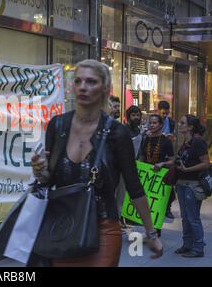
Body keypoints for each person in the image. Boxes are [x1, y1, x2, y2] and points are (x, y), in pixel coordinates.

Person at [31, 59, 163, 267]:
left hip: (104, 229)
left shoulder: (117, 133)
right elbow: (48, 180)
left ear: (105, 89)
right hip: (62, 227)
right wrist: (40, 170)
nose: (83, 87)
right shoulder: (57, 126)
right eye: (78, 81)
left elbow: (133, 185)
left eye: (91, 82)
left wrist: (151, 232)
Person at [172, 115, 209, 257]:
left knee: (193, 217)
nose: (179, 125)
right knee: (185, 217)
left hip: (192, 185)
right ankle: (187, 244)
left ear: (190, 127)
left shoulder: (198, 142)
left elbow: (206, 163)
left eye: (182, 123)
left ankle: (198, 247)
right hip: (181, 184)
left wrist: (187, 170)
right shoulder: (186, 142)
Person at [139, 114, 175, 237]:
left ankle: (156, 230)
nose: (152, 125)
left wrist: (162, 163)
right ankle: (149, 229)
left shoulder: (166, 141)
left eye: (155, 123)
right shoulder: (146, 139)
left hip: (160, 177)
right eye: (150, 123)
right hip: (147, 175)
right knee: (146, 204)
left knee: (157, 205)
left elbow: (172, 160)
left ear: (160, 125)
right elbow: (143, 156)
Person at [157, 100, 176, 219]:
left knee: (168, 184)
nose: (165, 116)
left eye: (167, 114)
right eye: (163, 113)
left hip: (166, 155)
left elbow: (173, 136)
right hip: (154, 154)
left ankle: (167, 208)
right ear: (158, 111)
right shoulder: (153, 120)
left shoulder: (171, 122)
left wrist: (171, 137)